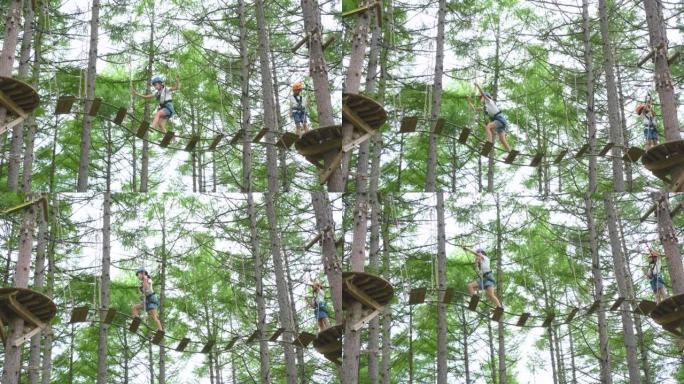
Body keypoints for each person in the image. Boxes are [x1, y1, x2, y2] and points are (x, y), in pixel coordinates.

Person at [474, 82, 512, 153]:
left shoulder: (489, 101)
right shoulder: (485, 107)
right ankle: (510, 153)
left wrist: (478, 85)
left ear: (486, 97)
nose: (480, 99)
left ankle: (489, 143)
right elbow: (475, 109)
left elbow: (482, 93)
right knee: (502, 140)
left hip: (500, 120)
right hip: (500, 123)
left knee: (488, 127)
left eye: (481, 97)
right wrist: (468, 100)